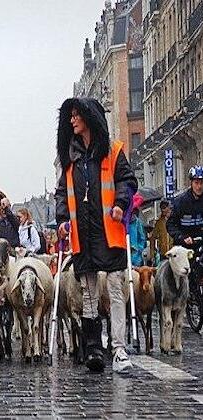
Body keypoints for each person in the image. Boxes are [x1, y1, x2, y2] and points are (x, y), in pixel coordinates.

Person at [55, 97, 138, 374]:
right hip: (83, 233)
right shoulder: (70, 158)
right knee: (88, 292)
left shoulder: (113, 152)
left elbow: (127, 180)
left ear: (89, 118)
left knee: (115, 290)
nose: (72, 120)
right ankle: (93, 347)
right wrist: (63, 219)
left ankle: (118, 348)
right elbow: (61, 193)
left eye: (76, 115)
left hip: (109, 232)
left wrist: (121, 203)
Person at [167, 166, 203, 248]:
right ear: (191, 183)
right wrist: (181, 236)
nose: (199, 187)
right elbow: (170, 224)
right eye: (196, 183)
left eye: (201, 183)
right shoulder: (180, 202)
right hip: (183, 246)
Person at [149, 200, 172, 264]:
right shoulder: (159, 222)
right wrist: (152, 254)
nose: (163, 210)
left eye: (164, 207)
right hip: (163, 254)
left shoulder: (175, 220)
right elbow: (152, 238)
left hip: (174, 253)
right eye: (161, 208)